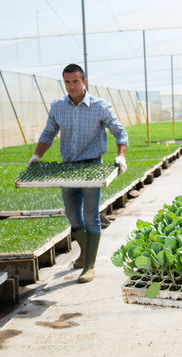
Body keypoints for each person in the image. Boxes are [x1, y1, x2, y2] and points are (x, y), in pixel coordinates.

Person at [27, 63, 129, 283]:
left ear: (84, 82)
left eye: (75, 81)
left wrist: (121, 155)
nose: (71, 86)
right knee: (72, 214)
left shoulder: (100, 106)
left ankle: (89, 266)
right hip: (68, 168)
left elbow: (119, 131)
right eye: (67, 82)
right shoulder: (58, 106)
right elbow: (48, 133)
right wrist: (37, 156)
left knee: (91, 214)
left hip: (93, 166)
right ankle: (84, 255)